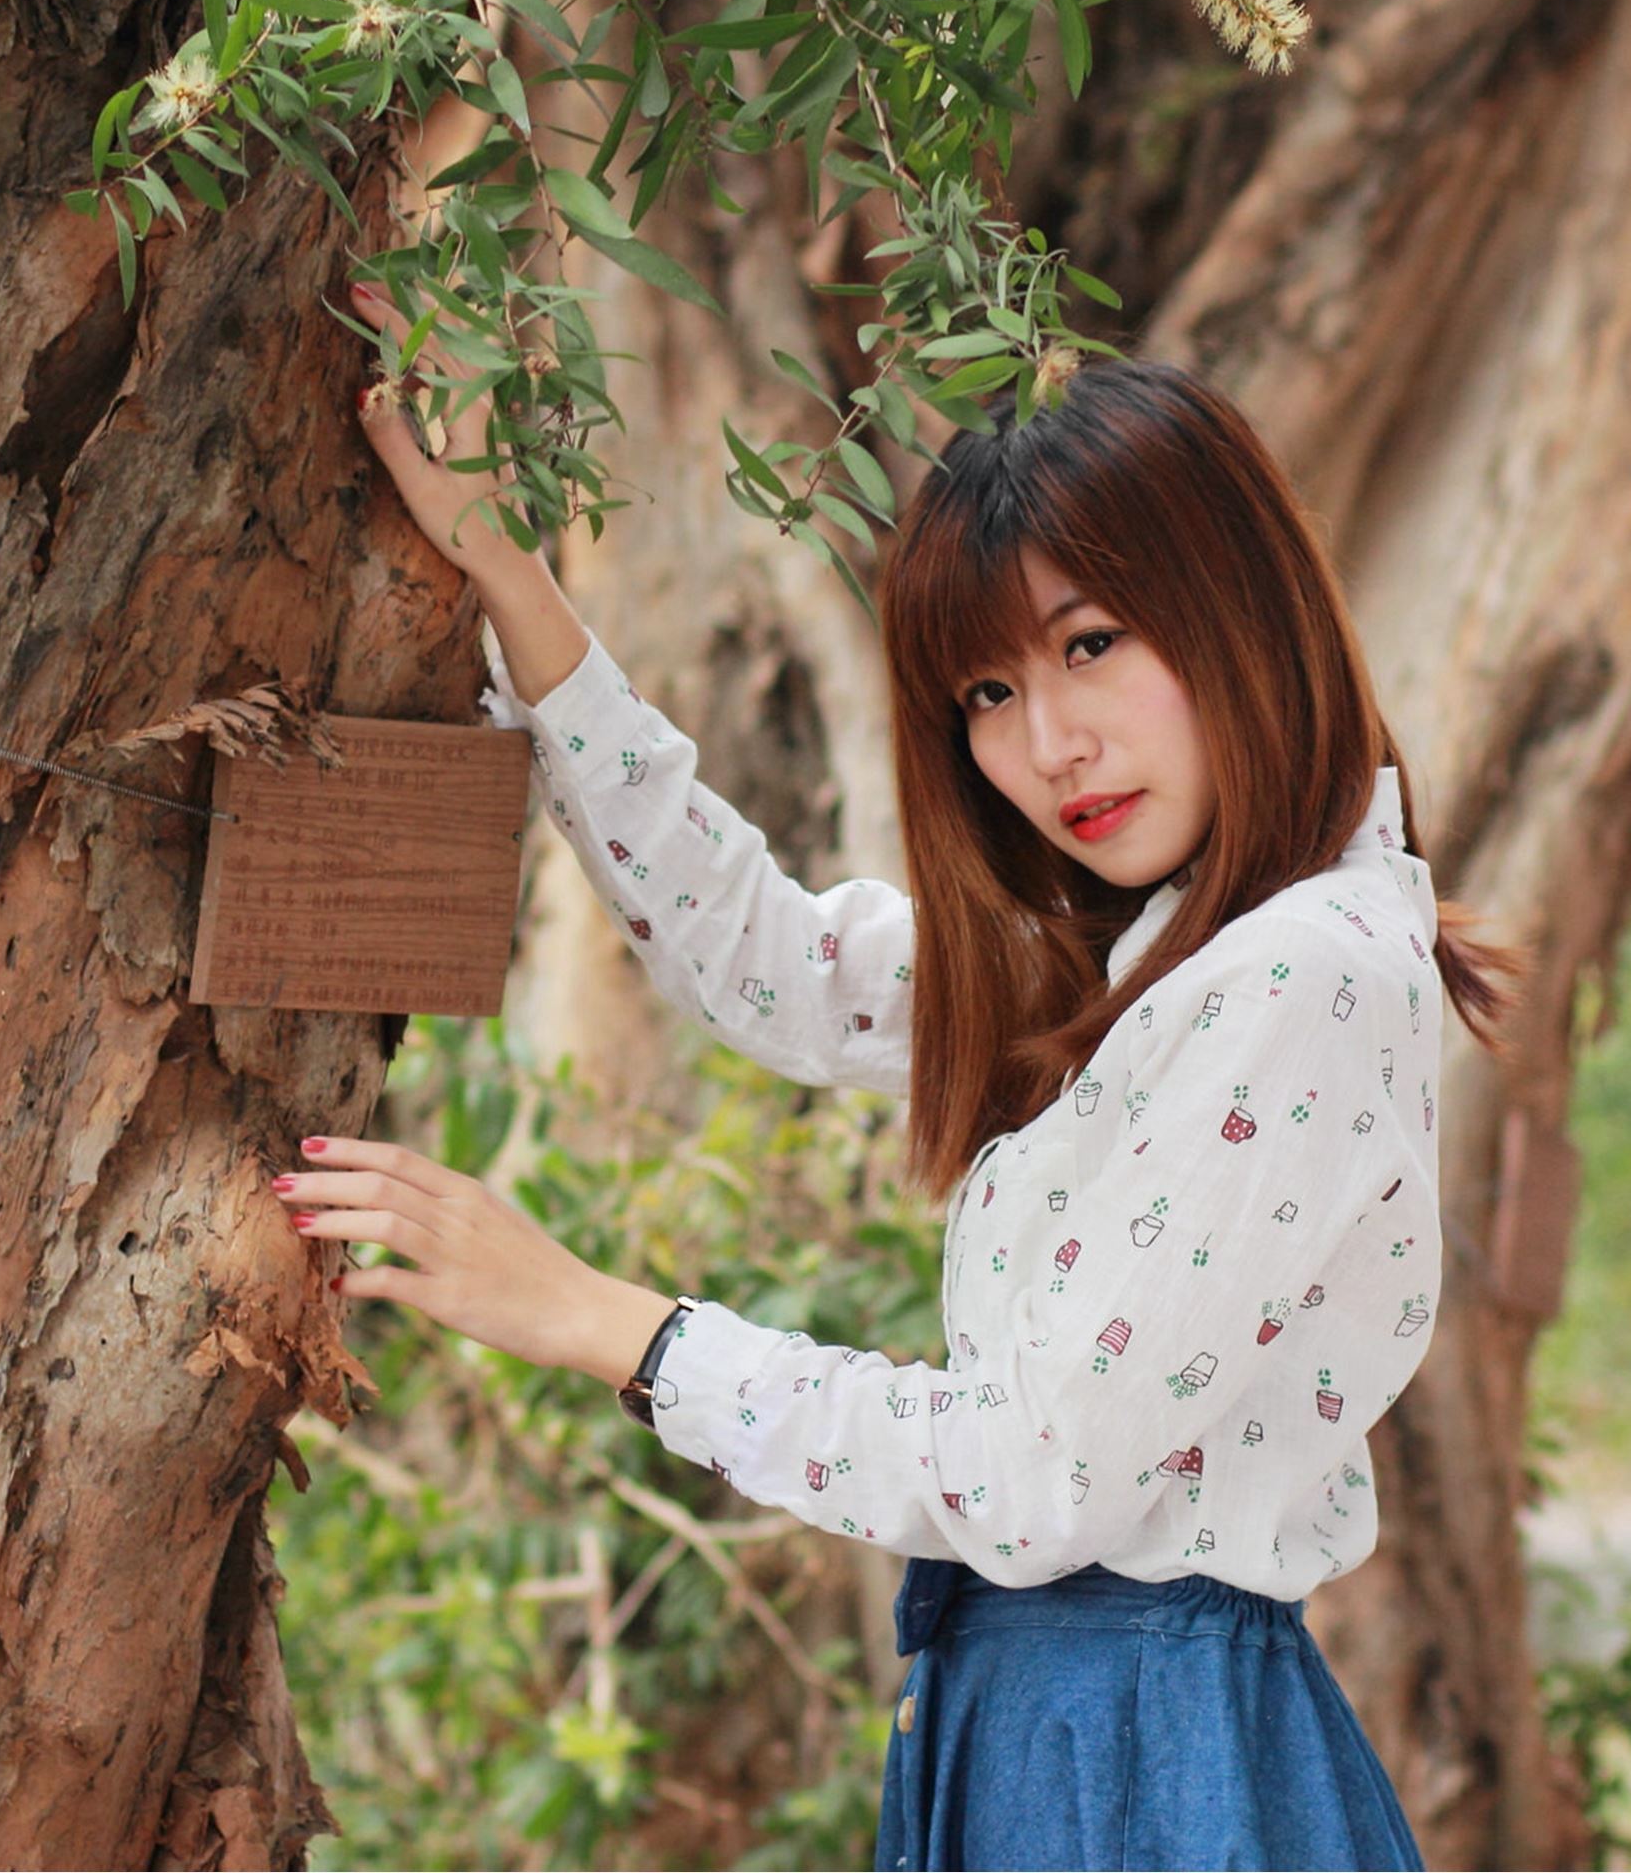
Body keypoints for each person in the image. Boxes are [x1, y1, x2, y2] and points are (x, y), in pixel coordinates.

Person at [272, 279, 1523, 1870]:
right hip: (1059, 1725)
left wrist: (606, 1324)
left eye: (1090, 644)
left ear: (1243, 611)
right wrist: (513, 585)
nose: (1047, 743)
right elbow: (774, 970)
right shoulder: (1150, 960)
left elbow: (1033, 1473)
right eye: (987, 693)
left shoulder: (1302, 973)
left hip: (1139, 1755)